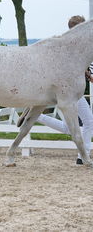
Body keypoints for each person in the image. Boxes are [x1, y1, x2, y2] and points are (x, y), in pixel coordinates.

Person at [30, 15, 92, 165]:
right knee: (81, 124)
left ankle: (83, 156)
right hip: (65, 92)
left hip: (74, 92)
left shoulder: (77, 47)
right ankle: (84, 156)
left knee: (78, 125)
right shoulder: (68, 47)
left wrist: (87, 73)